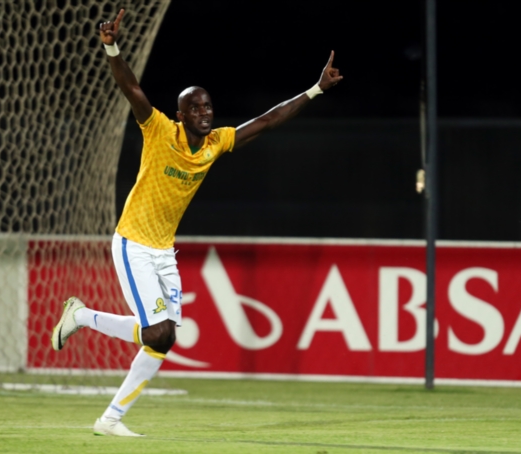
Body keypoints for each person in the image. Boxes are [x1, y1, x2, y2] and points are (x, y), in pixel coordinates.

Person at [50, 8, 343, 437]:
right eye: (197, 107)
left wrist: (315, 89)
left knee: (164, 339)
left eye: (208, 105)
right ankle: (85, 331)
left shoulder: (214, 143)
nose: (206, 111)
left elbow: (267, 119)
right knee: (159, 332)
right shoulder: (157, 130)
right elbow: (130, 86)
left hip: (164, 251)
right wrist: (111, 46)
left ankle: (108, 414)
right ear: (182, 113)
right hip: (132, 243)